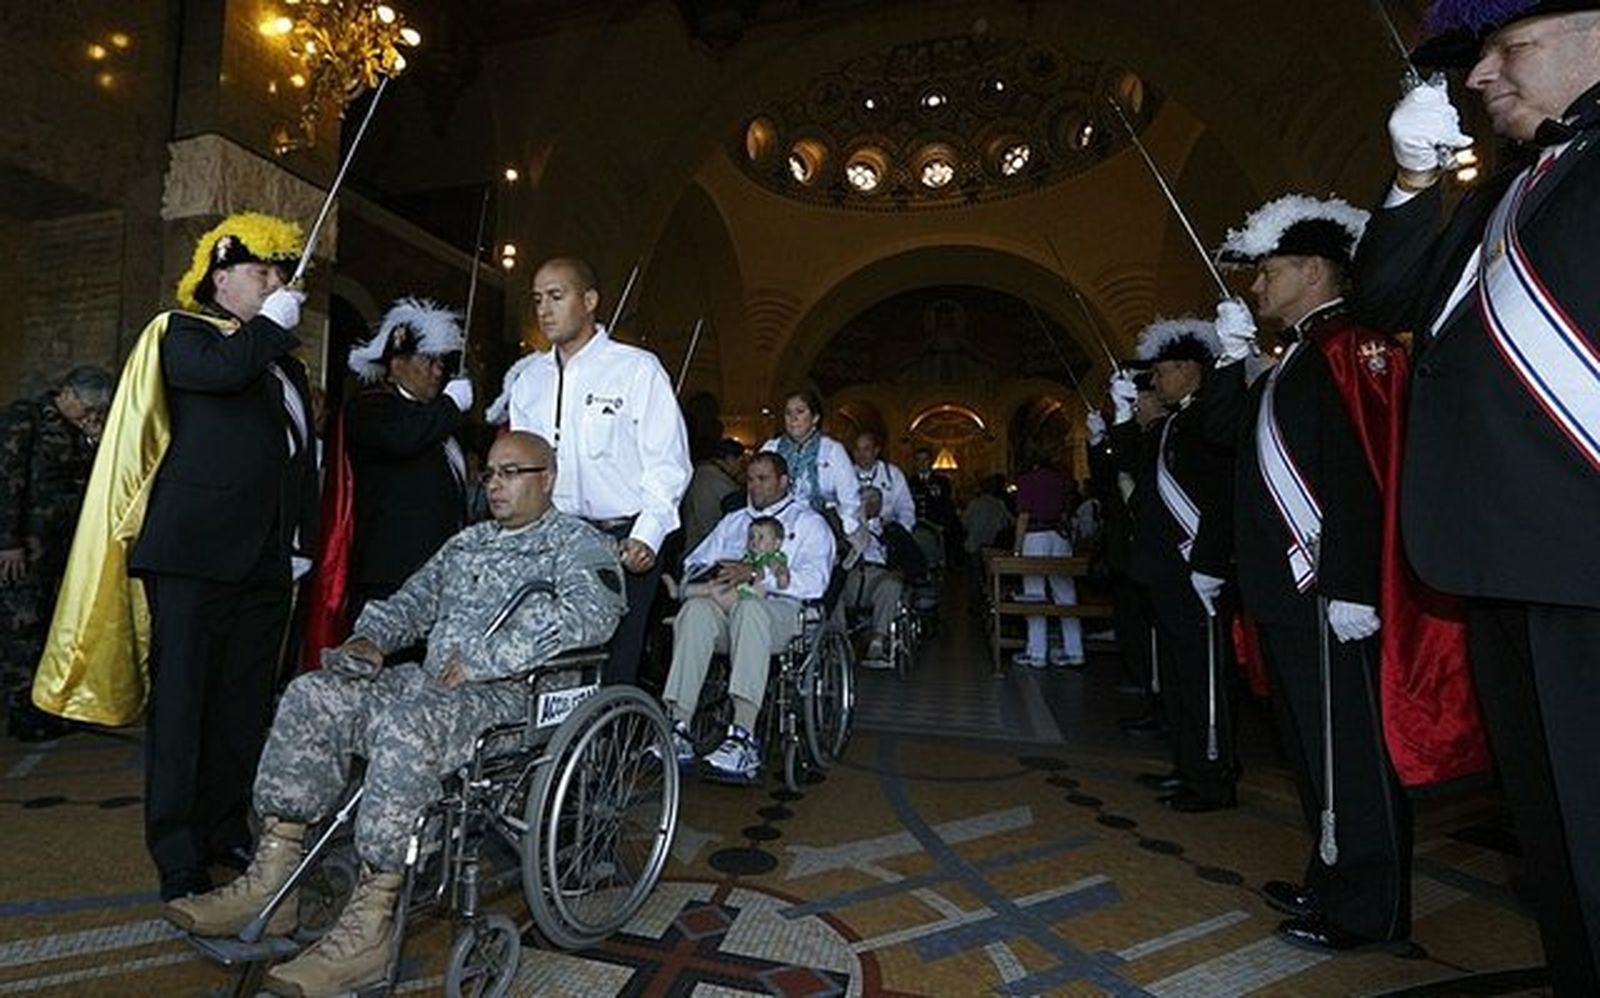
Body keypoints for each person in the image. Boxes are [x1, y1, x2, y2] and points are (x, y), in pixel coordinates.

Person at [161, 432, 626, 995]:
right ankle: (273, 878)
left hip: (512, 700)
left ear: (547, 478)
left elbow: (589, 619)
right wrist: (372, 638)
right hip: (435, 688)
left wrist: (483, 660)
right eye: (489, 474)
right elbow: (412, 601)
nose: (495, 485)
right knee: (314, 695)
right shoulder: (469, 543)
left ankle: (373, 923)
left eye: (511, 473)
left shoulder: (578, 546)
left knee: (410, 726)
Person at [1355, 4, 1600, 987]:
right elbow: (1384, 299)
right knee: (1558, 845)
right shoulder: (1504, 192)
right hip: (1503, 560)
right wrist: (1414, 179)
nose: (1478, 77)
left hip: (1584, 549)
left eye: (1510, 47)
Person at [1208, 194, 1485, 953]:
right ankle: (1331, 874)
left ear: (1313, 271)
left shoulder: (1351, 350)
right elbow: (1229, 439)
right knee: (1311, 749)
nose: (1257, 287)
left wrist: (1355, 584)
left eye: (1268, 272)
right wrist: (1234, 363)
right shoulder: (1294, 357)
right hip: (1287, 592)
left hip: (1330, 590)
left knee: (1352, 755)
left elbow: (1364, 471)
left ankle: (1371, 909)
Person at [34, 213, 320, 901]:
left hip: (265, 562)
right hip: (194, 556)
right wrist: (270, 327)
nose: (276, 284)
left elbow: (297, 460)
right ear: (220, 279)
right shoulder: (183, 334)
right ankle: (178, 849)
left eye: (280, 274)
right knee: (184, 708)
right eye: (261, 272)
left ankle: (225, 830)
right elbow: (218, 374)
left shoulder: (283, 364)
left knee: (241, 709)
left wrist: (299, 542)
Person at [500, 257, 691, 687]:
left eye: (556, 296)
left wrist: (648, 534)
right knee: (549, 657)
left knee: (613, 662)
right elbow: (523, 467)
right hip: (555, 536)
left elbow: (667, 462)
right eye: (537, 299)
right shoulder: (529, 380)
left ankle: (610, 728)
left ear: (589, 301)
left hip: (623, 537)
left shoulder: (637, 369)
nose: (544, 310)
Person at [1119, 318, 1238, 812]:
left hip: (1195, 570)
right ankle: (1187, 766)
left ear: (1191, 370)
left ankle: (1213, 777)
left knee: (1201, 677)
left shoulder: (1208, 420)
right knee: (1176, 675)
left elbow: (1219, 495)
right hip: (1165, 570)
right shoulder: (1171, 424)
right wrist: (1122, 419)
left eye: (1164, 371)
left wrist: (1209, 562)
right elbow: (1137, 477)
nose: (1157, 381)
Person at [660, 451, 835, 783]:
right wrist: (710, 574)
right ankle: (678, 724)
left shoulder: (809, 523)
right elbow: (695, 560)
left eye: (763, 479)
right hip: (728, 605)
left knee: (750, 609)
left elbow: (817, 581)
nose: (754, 486)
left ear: (784, 481)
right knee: (695, 611)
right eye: (751, 479)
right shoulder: (735, 521)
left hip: (782, 610)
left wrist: (758, 576)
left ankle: (742, 734)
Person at [1, 365, 113, 739]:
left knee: (50, 625)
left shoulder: (83, 430)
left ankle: (46, 706)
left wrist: (94, 438)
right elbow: (7, 480)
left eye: (98, 410)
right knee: (22, 627)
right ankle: (22, 713)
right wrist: (8, 542)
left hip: (61, 548)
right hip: (24, 549)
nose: (92, 415)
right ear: (66, 393)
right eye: (88, 407)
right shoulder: (26, 418)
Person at [342, 298, 473, 613]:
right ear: (397, 364)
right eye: (428, 360)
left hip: (438, 571)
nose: (438, 370)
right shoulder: (371, 407)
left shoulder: (433, 417)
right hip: (391, 572)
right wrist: (450, 405)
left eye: (441, 362)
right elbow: (402, 438)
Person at [1091, 371, 1165, 735]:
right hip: (1126, 549)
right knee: (1132, 626)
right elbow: (1108, 477)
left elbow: (1130, 463)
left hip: (1151, 548)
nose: (1135, 409)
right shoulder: (1136, 435)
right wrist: (1096, 441)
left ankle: (1161, 701)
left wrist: (1118, 426)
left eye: (1138, 400)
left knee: (1153, 634)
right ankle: (1151, 693)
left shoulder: (1158, 434)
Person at [1010, 444, 1086, 669]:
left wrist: (1017, 548)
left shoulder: (1026, 480)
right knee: (1066, 593)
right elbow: (1066, 510)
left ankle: (1037, 653)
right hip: (1059, 535)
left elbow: (1024, 516)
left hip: (1035, 535)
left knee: (1034, 594)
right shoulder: (1059, 479)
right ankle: (1075, 651)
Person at [761, 390, 862, 538]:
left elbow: (850, 500)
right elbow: (756, 491)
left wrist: (843, 530)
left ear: (815, 418)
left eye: (800, 412)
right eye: (788, 413)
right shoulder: (771, 448)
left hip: (821, 529)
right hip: (775, 527)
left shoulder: (832, 450)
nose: (793, 418)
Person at [837, 485, 906, 669]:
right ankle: (841, 642)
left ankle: (877, 642)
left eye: (876, 500)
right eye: (866, 500)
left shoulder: (891, 529)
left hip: (879, 574)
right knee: (831, 589)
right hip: (851, 573)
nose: (871, 504)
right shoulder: (845, 528)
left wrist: (901, 569)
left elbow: (912, 557)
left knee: (892, 584)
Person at [669, 515, 788, 609]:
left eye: (761, 537)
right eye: (751, 537)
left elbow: (777, 567)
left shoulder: (771, 557)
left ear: (776, 543)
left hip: (750, 595)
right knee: (712, 586)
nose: (754, 541)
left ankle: (680, 593)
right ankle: (680, 592)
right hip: (737, 591)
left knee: (714, 590)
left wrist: (782, 576)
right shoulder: (748, 556)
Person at [680, 437, 746, 554]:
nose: (741, 468)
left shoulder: (699, 472)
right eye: (740, 462)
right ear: (730, 459)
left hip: (692, 542)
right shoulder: (716, 479)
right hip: (704, 547)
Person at [851, 431, 915, 530]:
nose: (861, 454)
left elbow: (906, 507)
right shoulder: (846, 474)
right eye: (857, 449)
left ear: (876, 451)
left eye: (866, 449)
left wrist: (901, 530)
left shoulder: (893, 474)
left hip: (888, 532)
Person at [961, 473, 1014, 557]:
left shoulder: (975, 503)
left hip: (974, 543)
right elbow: (1008, 522)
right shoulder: (999, 504)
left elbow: (964, 522)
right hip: (991, 543)